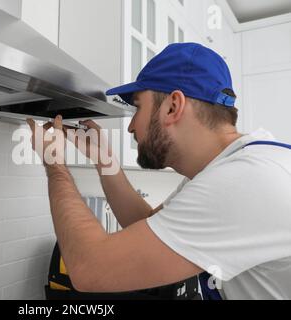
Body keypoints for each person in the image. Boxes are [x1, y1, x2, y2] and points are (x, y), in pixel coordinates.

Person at [26, 43, 291, 300]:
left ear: (173, 107)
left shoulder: (241, 182)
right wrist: (103, 158)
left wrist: (56, 166)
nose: (130, 126)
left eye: (138, 107)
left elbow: (89, 268)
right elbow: (146, 222)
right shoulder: (233, 166)